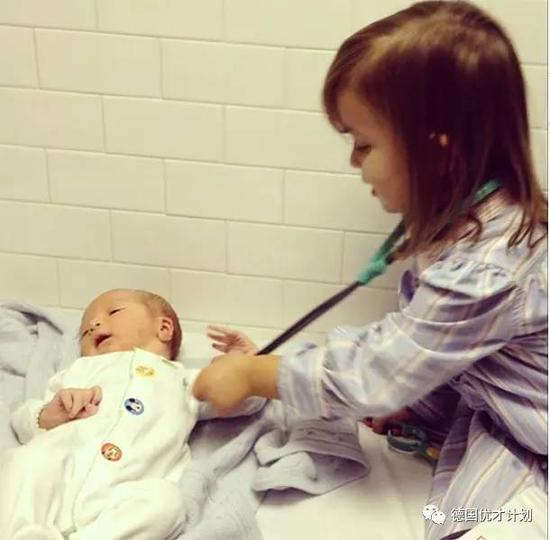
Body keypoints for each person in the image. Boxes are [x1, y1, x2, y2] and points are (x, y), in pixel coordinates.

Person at [193, 2, 548, 539]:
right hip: (501, 411)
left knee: (475, 524)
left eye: (363, 143)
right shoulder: (467, 226)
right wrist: (417, 403)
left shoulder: (488, 271)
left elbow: (375, 371)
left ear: (437, 152)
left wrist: (256, 375)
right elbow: (435, 346)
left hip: (535, 433)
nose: (354, 162)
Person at [0, 289, 261, 540]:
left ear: (163, 328)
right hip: (62, 477)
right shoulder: (79, 370)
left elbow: (242, 399)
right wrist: (48, 415)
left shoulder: (183, 380)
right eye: (85, 330)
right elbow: (23, 418)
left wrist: (246, 368)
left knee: (166, 502)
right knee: (25, 460)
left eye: (113, 312)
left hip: (127, 490)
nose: (94, 325)